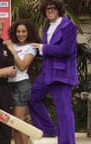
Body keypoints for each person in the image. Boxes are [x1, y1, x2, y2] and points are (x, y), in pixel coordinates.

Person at [28, 0, 78, 144]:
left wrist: (42, 47)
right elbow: (46, 50)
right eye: (47, 9)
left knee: (64, 111)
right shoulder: (48, 27)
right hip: (47, 72)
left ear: (59, 10)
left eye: (53, 8)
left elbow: (66, 50)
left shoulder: (68, 26)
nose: (49, 11)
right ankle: (48, 129)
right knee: (32, 97)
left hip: (61, 74)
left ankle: (67, 142)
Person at [4, 19, 40, 144]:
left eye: (24, 31)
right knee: (13, 122)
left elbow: (23, 66)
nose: (21, 34)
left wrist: (12, 51)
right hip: (8, 84)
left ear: (28, 32)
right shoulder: (11, 44)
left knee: (19, 122)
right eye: (18, 31)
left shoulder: (31, 47)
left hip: (21, 85)